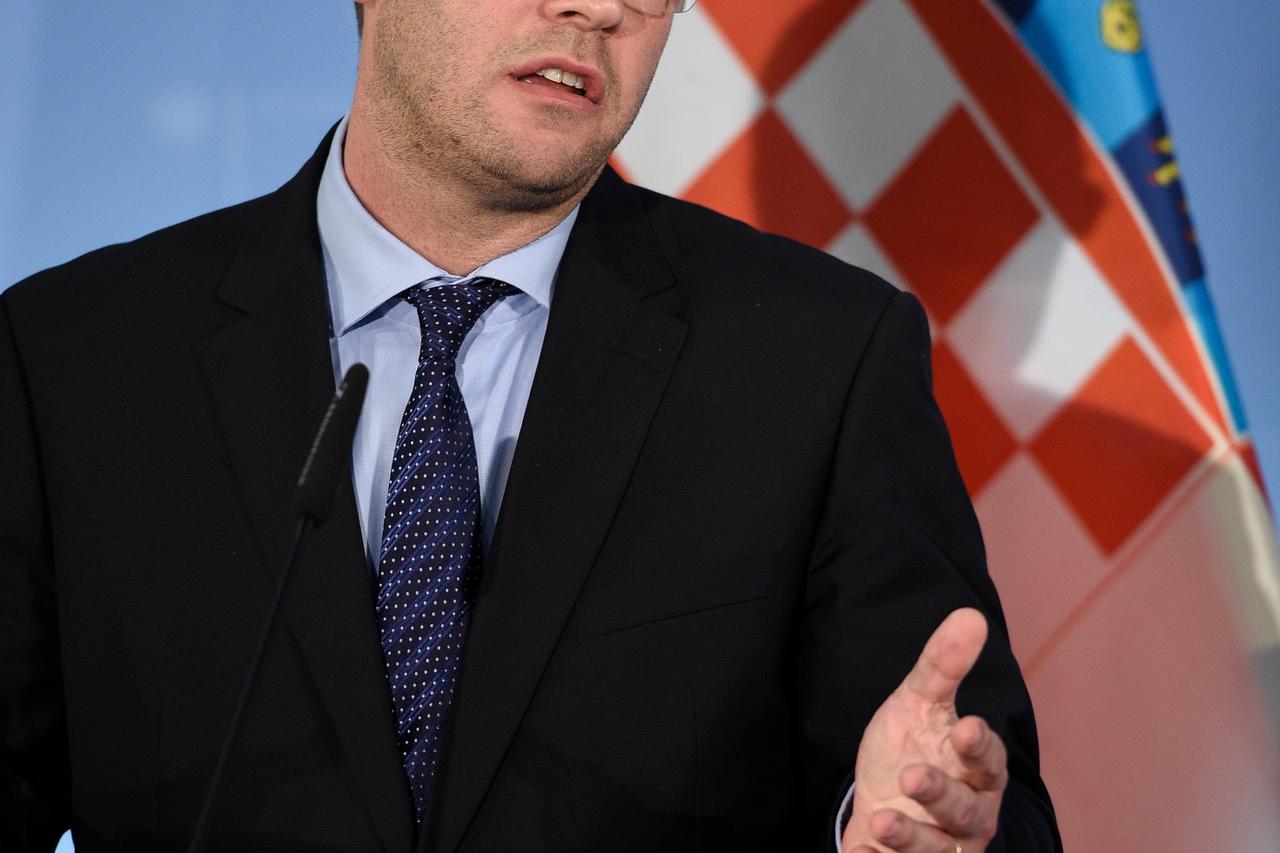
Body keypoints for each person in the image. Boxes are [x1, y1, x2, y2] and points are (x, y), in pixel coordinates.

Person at [0, 0, 1060, 850]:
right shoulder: (71, 359)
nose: (597, 10)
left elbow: (968, 800)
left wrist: (910, 839)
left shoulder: (817, 357)